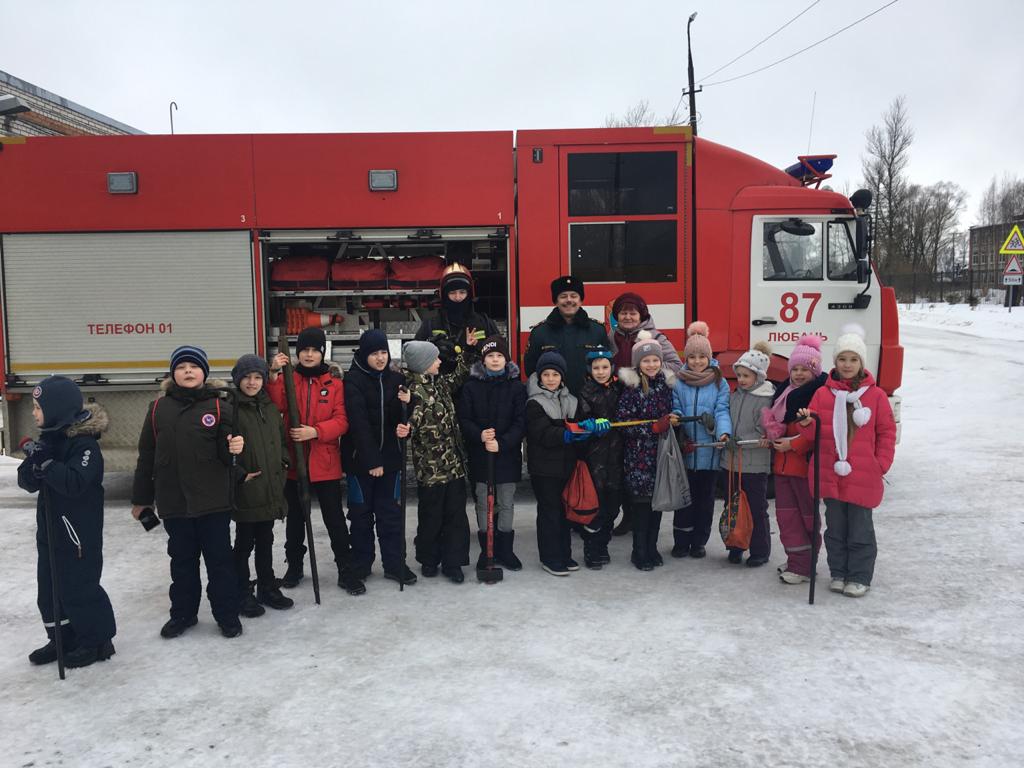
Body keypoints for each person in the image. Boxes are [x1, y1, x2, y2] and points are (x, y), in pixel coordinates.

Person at [131, 345, 245, 639]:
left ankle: (227, 615)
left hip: (214, 502)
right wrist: (141, 500)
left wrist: (234, 449)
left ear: (204, 373)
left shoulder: (220, 407)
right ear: (173, 374)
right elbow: (147, 456)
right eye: (181, 367)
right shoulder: (157, 409)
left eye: (194, 367)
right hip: (174, 502)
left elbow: (227, 455)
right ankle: (183, 614)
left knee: (220, 563)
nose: (188, 372)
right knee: (182, 564)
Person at [18, 376, 116, 668]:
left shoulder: (84, 446)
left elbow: (75, 482)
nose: (34, 413)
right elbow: (27, 481)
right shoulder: (48, 441)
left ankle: (96, 641)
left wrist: (48, 466)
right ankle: (61, 638)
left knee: (79, 587)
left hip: (77, 534)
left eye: (38, 407)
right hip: (49, 531)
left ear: (58, 409)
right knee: (48, 588)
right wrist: (34, 467)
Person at [797, 324, 897, 598]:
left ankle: (859, 576)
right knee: (835, 528)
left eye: (853, 359)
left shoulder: (875, 396)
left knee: (860, 529)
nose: (847, 364)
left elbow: (886, 431)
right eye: (842, 359)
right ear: (835, 362)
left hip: (863, 473)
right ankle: (839, 572)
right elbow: (813, 433)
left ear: (862, 362)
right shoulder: (822, 394)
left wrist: (881, 463)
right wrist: (806, 423)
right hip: (831, 471)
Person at [269, 327, 364, 596]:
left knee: (334, 518)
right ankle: (295, 566)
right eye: (304, 350)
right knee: (296, 519)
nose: (309, 355)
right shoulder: (289, 379)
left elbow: (342, 421)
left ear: (322, 352)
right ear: (298, 353)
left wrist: (316, 432)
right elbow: (277, 404)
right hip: (295, 463)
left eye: (314, 350)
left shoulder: (334, 384)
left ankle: (346, 569)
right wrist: (274, 374)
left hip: (325, 463)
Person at [342, 330, 417, 586]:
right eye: (374, 353)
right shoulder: (352, 380)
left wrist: (408, 411)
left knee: (390, 516)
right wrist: (372, 461)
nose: (380, 358)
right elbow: (358, 423)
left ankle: (395, 564)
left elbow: (403, 414)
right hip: (361, 463)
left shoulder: (396, 378)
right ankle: (361, 565)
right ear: (364, 354)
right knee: (361, 517)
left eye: (383, 352)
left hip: (392, 461)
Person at [398, 339, 473, 583]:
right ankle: (429, 559)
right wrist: (407, 418)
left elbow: (459, 376)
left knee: (456, 516)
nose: (440, 361)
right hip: (431, 469)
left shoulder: (439, 382)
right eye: (435, 359)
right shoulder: (411, 391)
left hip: (453, 465)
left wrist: (467, 349)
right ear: (423, 364)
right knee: (431, 516)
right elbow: (412, 423)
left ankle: (453, 562)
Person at [229, 354, 293, 618]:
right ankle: (241, 590)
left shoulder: (268, 405)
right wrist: (239, 473)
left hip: (270, 486)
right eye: (247, 377)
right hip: (248, 488)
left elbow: (279, 437)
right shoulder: (230, 407)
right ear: (238, 379)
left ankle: (267, 586)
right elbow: (224, 447)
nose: (252, 382)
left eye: (257, 377)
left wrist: (284, 462)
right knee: (244, 542)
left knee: (266, 539)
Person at [457, 335, 527, 572]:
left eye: (499, 356)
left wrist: (503, 442)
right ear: (483, 359)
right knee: (483, 503)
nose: (495, 360)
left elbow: (520, 422)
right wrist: (480, 435)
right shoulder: (471, 386)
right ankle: (488, 547)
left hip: (506, 455)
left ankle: (505, 549)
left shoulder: (516, 387)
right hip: (480, 455)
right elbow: (464, 419)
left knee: (505, 502)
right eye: (490, 356)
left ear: (506, 359)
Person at [762, 334, 827, 584]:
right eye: (795, 369)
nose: (798, 374)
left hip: (803, 468)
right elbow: (777, 424)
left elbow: (818, 433)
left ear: (815, 370)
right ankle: (796, 561)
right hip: (783, 467)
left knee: (807, 517)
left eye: (805, 369)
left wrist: (793, 444)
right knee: (787, 517)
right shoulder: (784, 393)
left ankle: (805, 566)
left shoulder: (817, 396)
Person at [525, 351, 597, 576]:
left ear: (562, 377)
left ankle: (565, 554)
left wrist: (586, 431)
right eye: (545, 374)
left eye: (555, 374)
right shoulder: (534, 403)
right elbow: (541, 433)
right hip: (544, 469)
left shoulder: (572, 401)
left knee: (565, 512)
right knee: (550, 512)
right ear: (539, 377)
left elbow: (578, 428)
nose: (550, 378)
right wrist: (565, 435)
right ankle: (550, 557)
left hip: (567, 466)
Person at [615, 336, 680, 571]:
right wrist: (651, 428)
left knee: (656, 508)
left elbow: (671, 413)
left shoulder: (665, 385)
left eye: (655, 360)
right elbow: (623, 424)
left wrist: (674, 423)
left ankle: (652, 548)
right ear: (637, 364)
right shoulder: (631, 389)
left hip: (661, 455)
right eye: (646, 361)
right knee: (642, 509)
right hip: (639, 458)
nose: (651, 365)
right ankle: (639, 551)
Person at [670, 322, 732, 559]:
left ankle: (699, 541)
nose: (697, 361)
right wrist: (677, 419)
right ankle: (681, 540)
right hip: (686, 452)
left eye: (702, 357)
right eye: (692, 357)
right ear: (686, 358)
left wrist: (721, 431)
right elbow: (675, 406)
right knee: (683, 500)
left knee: (705, 501)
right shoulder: (678, 381)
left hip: (708, 453)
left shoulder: (719, 382)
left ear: (709, 357)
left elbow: (722, 410)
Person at [721, 342, 775, 567]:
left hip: (754, 465)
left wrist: (742, 442)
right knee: (733, 506)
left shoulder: (765, 398)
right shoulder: (735, 395)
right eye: (739, 375)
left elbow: (763, 432)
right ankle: (736, 544)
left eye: (746, 375)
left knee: (755, 508)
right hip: (731, 463)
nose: (741, 379)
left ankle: (760, 549)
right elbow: (728, 420)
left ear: (759, 376)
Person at [523, 275, 609, 395]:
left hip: (590, 402)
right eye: (563, 296)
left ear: (580, 300)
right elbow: (531, 370)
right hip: (554, 402)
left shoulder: (597, 330)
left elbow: (607, 368)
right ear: (556, 301)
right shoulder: (539, 332)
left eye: (574, 296)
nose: (569, 300)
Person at [577, 347, 623, 569]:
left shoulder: (618, 389)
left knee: (613, 506)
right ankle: (592, 548)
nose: (601, 371)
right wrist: (590, 423)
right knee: (596, 507)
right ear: (589, 370)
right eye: (596, 367)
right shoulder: (585, 392)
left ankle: (603, 543)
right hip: (594, 459)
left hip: (616, 456)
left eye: (605, 367)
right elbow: (581, 418)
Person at [415, 262, 498, 375]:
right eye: (452, 293)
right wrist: (432, 348)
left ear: (469, 294)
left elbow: (500, 356)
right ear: (444, 295)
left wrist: (477, 348)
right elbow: (414, 358)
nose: (458, 298)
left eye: (462, 292)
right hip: (442, 388)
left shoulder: (485, 323)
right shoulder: (431, 325)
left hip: (478, 387)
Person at [607, 292, 683, 373]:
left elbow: (677, 366)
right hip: (617, 385)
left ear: (641, 316)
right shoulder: (612, 336)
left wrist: (648, 368)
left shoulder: (655, 337)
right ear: (617, 316)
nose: (628, 317)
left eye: (633, 314)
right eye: (623, 313)